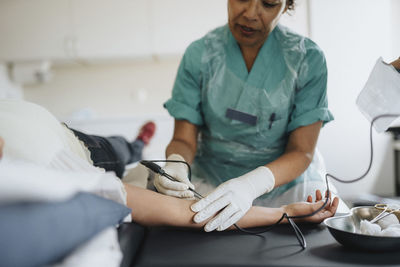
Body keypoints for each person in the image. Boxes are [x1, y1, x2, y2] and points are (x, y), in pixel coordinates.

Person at [0, 102, 339, 230]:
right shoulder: (39, 172)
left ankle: (138, 142)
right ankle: (138, 142)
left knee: (124, 146)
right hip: (80, 147)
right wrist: (284, 212)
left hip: (49, 124)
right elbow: (186, 211)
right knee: (119, 152)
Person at [155, 0, 339, 231]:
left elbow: (301, 151)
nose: (250, 14)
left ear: (286, 5)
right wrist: (176, 164)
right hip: (209, 183)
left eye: (269, 3)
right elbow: (183, 139)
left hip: (285, 187)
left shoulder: (307, 59)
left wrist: (252, 185)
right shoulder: (199, 55)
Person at [0, 99, 155, 179]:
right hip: (78, 150)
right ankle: (140, 143)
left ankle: (138, 146)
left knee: (119, 142)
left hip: (62, 131)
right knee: (121, 146)